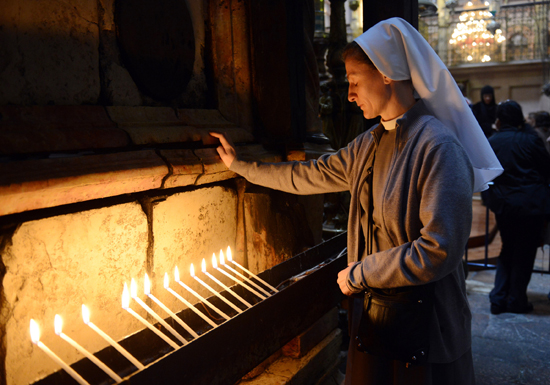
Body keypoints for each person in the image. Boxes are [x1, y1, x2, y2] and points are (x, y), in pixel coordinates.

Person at [211, 17, 502, 385]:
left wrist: (360, 273)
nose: (348, 94)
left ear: (386, 74)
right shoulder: (370, 142)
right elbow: (311, 174)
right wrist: (242, 167)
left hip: (425, 328)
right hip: (378, 316)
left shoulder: (438, 147)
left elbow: (438, 250)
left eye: (353, 81)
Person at [482, 100, 550, 315]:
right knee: (525, 252)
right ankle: (516, 300)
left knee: (507, 249)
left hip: (504, 205)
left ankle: (498, 298)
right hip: (531, 205)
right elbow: (547, 169)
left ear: (500, 120)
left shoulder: (492, 141)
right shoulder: (531, 139)